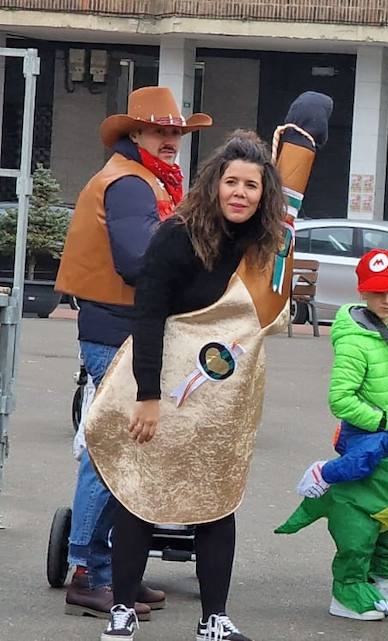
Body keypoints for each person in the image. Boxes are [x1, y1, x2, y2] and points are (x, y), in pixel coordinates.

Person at [90, 130, 288, 641]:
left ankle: (213, 618)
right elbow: (150, 312)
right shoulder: (178, 234)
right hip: (165, 383)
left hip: (222, 396)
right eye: (232, 182)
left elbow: (262, 318)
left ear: (264, 193)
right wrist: (148, 396)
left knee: (216, 498)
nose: (240, 193)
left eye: (252, 185)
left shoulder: (264, 246)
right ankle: (123, 608)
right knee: (140, 493)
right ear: (215, 184)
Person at [55, 85, 209, 621]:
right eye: (160, 131)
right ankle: (88, 572)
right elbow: (139, 262)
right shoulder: (129, 184)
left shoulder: (145, 180)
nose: (171, 140)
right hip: (116, 330)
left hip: (122, 328)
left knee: (123, 449)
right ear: (135, 133)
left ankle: (110, 568)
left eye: (176, 133)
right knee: (114, 451)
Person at [293, 248, 388, 621]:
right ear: (363, 292)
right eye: (378, 292)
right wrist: (382, 422)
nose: (386, 299)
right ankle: (348, 589)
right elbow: (341, 398)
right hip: (372, 434)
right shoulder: (354, 338)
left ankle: (386, 581)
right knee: (362, 520)